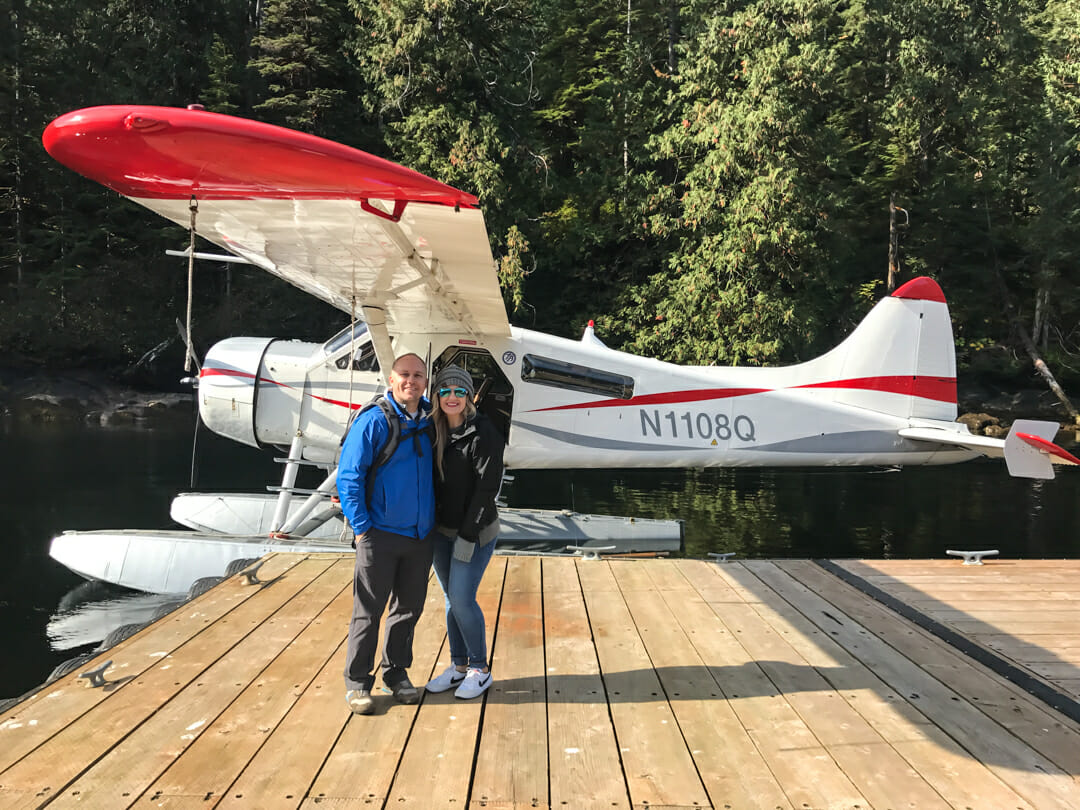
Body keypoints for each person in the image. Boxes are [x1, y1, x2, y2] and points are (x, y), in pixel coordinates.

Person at [339, 352, 436, 715]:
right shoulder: (375, 421)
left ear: (426, 382)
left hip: (419, 535)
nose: (411, 381)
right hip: (379, 533)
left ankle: (396, 674)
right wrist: (362, 528)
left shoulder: (431, 419)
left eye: (418, 375)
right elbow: (349, 477)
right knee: (369, 610)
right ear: (391, 379)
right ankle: (358, 682)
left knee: (408, 609)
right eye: (404, 374)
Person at [424, 364, 505, 699]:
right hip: (440, 531)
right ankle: (458, 667)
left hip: (475, 532)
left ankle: (480, 668)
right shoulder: (431, 430)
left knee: (461, 597)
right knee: (449, 599)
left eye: (459, 391)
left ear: (469, 396)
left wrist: (468, 537)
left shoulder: (485, 431)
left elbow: (488, 489)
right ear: (437, 395)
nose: (452, 397)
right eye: (445, 391)